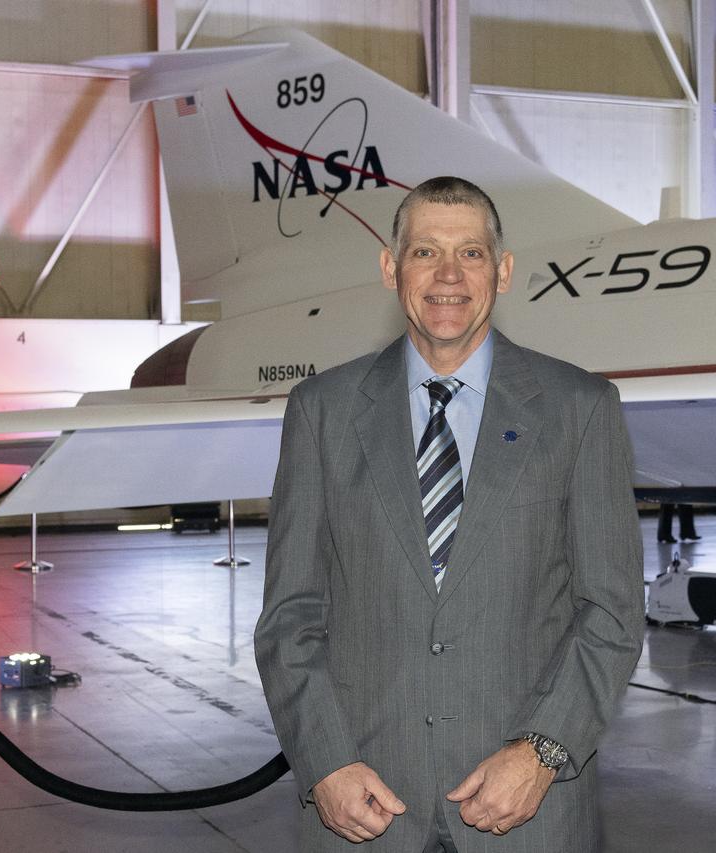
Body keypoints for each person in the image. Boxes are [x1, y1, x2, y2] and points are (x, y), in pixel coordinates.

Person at [254, 176, 645, 852]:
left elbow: (611, 612)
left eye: (469, 253)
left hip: (528, 810)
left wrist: (542, 751)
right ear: (389, 267)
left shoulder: (579, 408)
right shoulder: (323, 410)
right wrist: (325, 761)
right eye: (424, 251)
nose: (447, 275)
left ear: (503, 270)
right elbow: (291, 611)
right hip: (365, 807)